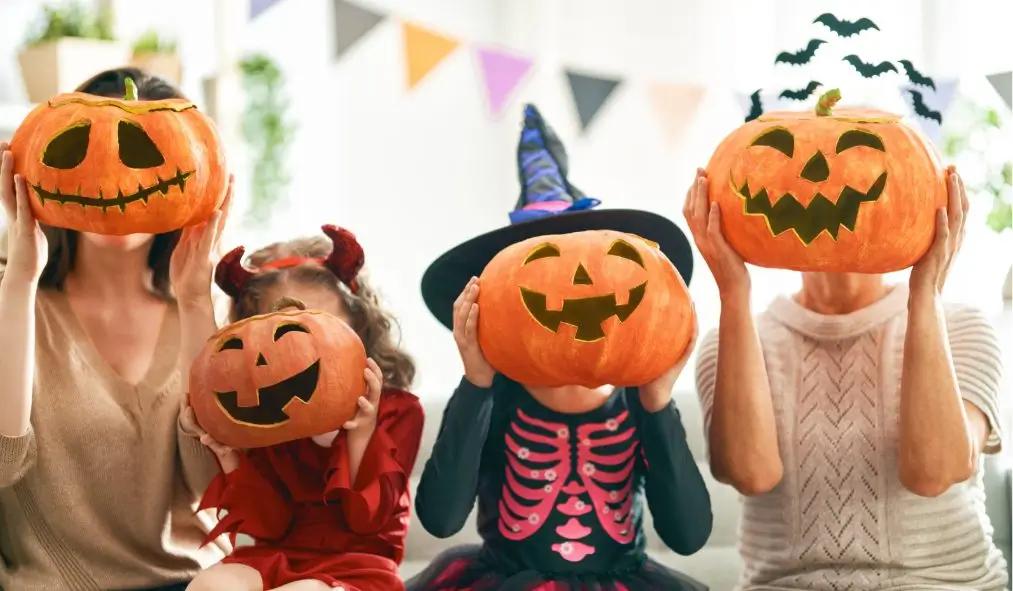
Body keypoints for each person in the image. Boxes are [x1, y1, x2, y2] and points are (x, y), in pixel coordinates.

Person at [407, 105, 712, 591]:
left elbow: (689, 535)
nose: (577, 284)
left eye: (607, 262)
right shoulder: (495, 398)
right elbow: (441, 518)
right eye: (541, 263)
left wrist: (657, 403)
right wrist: (477, 383)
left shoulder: (638, 401)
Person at [686, 166, 1008, 590]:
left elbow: (933, 472)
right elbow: (751, 474)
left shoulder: (962, 327)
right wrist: (732, 292)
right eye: (802, 173)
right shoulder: (730, 339)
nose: (822, 182)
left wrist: (925, 295)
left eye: (848, 176)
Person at [0, 67, 231, 591]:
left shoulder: (207, 312)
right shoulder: (15, 300)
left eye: (145, 155)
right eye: (84, 150)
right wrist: (18, 282)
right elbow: (2, 461)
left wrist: (196, 300)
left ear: (194, 172)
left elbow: (215, 487)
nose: (115, 179)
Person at [185, 226, 424, 591]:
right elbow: (270, 525)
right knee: (211, 585)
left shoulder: (398, 410)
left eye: (319, 327)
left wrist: (360, 433)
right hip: (277, 556)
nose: (305, 352)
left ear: (357, 323)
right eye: (283, 337)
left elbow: (368, 522)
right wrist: (230, 454)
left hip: (358, 567)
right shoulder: (270, 417)